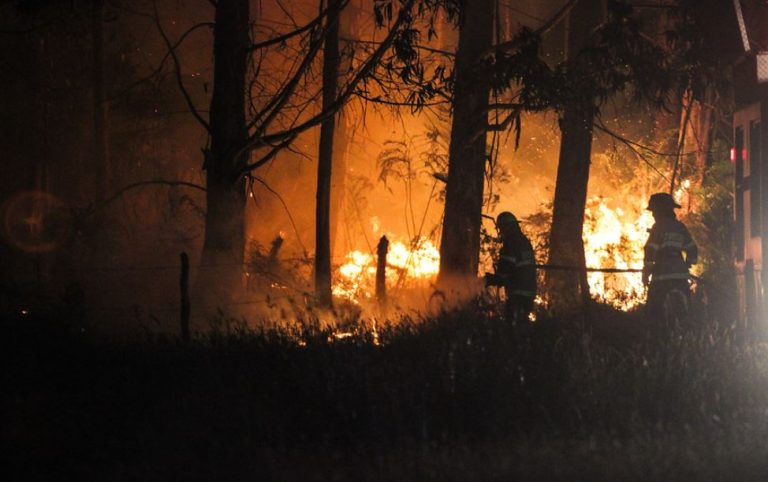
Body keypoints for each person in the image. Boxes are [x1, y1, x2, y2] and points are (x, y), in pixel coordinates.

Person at [642, 192, 698, 320]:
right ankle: (687, 334)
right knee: (685, 312)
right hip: (681, 276)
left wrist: (646, 272)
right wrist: (688, 263)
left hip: (662, 276)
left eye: (654, 211)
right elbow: (692, 249)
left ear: (660, 211)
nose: (653, 214)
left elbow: (650, 250)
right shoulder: (680, 227)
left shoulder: (658, 228)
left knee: (654, 312)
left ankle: (659, 335)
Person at [485, 211, 537, 324]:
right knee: (522, 324)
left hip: (518, 293)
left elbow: (505, 270)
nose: (501, 232)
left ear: (507, 227)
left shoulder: (510, 244)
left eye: (501, 228)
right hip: (529, 292)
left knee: (511, 327)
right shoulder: (524, 242)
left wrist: (490, 279)